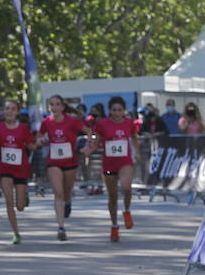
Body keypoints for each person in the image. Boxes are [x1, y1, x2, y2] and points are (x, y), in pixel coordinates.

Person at [0, 98, 34, 244]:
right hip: (5, 168)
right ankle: (16, 233)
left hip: (21, 168)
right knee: (9, 201)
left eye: (12, 109)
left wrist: (37, 143)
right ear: (3, 112)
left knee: (20, 206)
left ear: (17, 112)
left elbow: (30, 145)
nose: (9, 111)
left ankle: (24, 195)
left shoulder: (23, 128)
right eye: (7, 109)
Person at [37, 94, 83, 241]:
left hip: (70, 162)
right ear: (49, 107)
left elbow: (90, 132)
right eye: (52, 104)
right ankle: (61, 227)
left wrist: (88, 146)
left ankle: (68, 202)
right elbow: (38, 137)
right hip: (54, 162)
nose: (55, 107)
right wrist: (41, 140)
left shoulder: (72, 121)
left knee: (66, 192)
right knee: (58, 193)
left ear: (62, 107)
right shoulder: (46, 122)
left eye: (58, 104)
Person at [91, 96, 139, 241]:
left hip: (125, 161)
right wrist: (89, 149)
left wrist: (136, 152)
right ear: (110, 111)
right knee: (112, 197)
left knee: (126, 188)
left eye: (120, 110)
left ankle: (127, 211)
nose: (117, 113)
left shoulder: (130, 123)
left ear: (124, 110)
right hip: (109, 163)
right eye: (114, 110)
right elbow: (97, 141)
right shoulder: (102, 124)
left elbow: (135, 138)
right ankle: (114, 226)